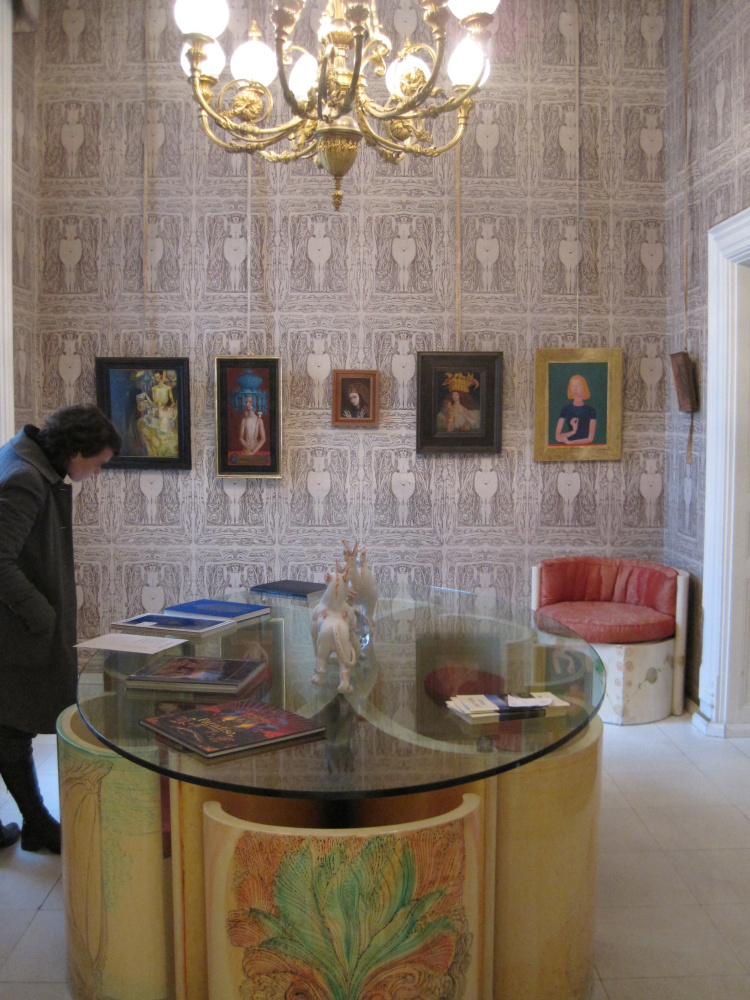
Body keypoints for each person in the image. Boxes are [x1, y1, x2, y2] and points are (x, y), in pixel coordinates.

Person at [0, 405, 121, 852]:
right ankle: (37, 824)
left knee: (8, 724)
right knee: (12, 725)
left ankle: (35, 823)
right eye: (98, 463)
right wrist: (41, 614)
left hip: (16, 626)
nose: (96, 472)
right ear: (75, 452)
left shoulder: (23, 458)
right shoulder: (26, 479)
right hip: (14, 628)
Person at [555, 374, 597, 444]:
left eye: (578, 386)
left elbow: (590, 439)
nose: (575, 389)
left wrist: (570, 442)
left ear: (583, 388)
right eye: (572, 386)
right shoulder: (565, 409)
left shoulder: (591, 410)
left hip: (586, 447)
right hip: (568, 448)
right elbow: (557, 437)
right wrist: (573, 431)